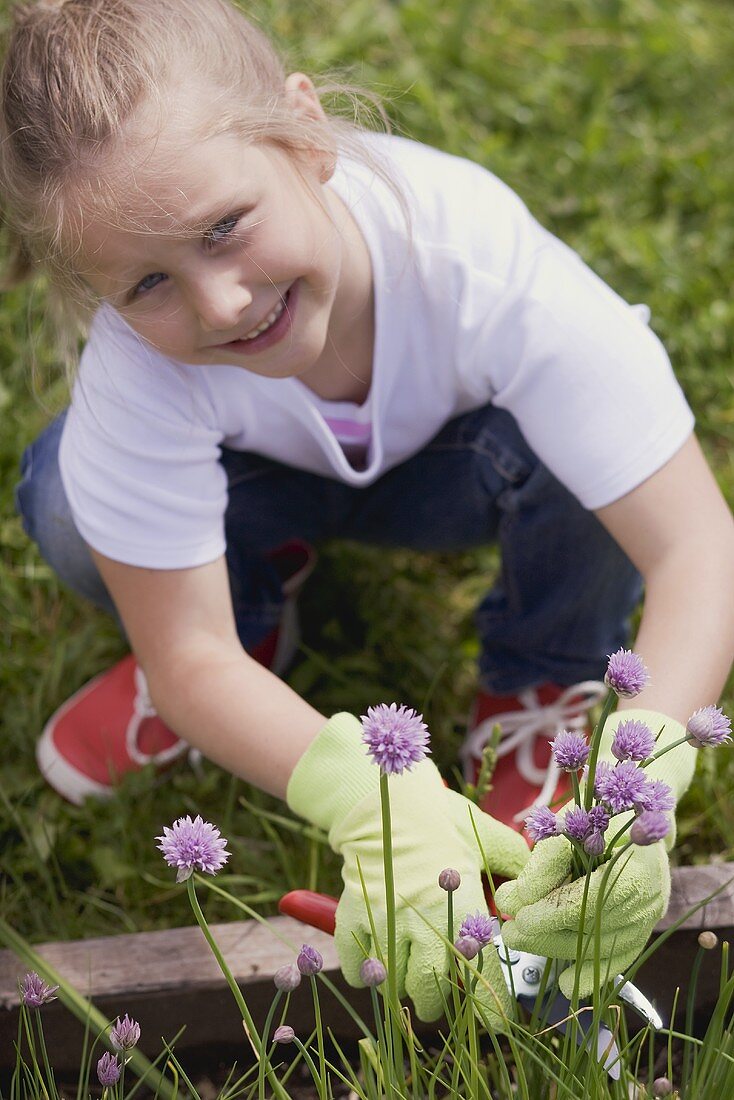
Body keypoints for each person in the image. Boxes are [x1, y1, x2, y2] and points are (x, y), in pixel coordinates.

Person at [3, 0, 733, 1022]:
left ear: (307, 138)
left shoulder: (475, 263)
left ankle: (542, 673)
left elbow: (694, 543)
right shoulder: (142, 364)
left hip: (465, 470)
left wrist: (639, 772)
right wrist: (366, 796)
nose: (220, 303)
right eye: (150, 281)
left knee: (591, 464)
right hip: (256, 481)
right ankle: (257, 611)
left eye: (225, 227)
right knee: (72, 507)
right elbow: (188, 656)